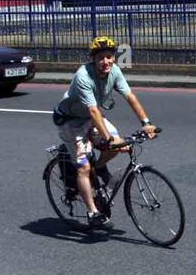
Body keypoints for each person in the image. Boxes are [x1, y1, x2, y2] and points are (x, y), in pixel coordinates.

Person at [53, 36, 158, 228]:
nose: (106, 61)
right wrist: (109, 139)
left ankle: (99, 166)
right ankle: (92, 212)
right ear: (93, 59)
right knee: (84, 167)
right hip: (71, 122)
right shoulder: (83, 75)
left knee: (119, 144)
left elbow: (130, 96)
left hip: (92, 118)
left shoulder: (115, 72)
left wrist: (146, 123)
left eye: (109, 56)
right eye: (101, 57)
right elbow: (93, 111)